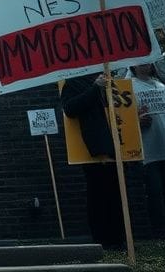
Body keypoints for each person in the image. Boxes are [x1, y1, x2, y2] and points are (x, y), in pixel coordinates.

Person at [60, 73, 125, 249]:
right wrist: (95, 88)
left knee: (117, 194)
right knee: (99, 194)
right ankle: (102, 239)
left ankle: (119, 239)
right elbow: (70, 109)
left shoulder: (114, 80)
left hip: (118, 145)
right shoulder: (74, 82)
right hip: (95, 149)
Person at [130, 62, 165, 241]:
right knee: (154, 192)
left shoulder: (161, 86)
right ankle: (160, 233)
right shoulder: (130, 86)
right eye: (140, 63)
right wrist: (136, 121)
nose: (143, 66)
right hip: (147, 148)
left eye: (147, 62)